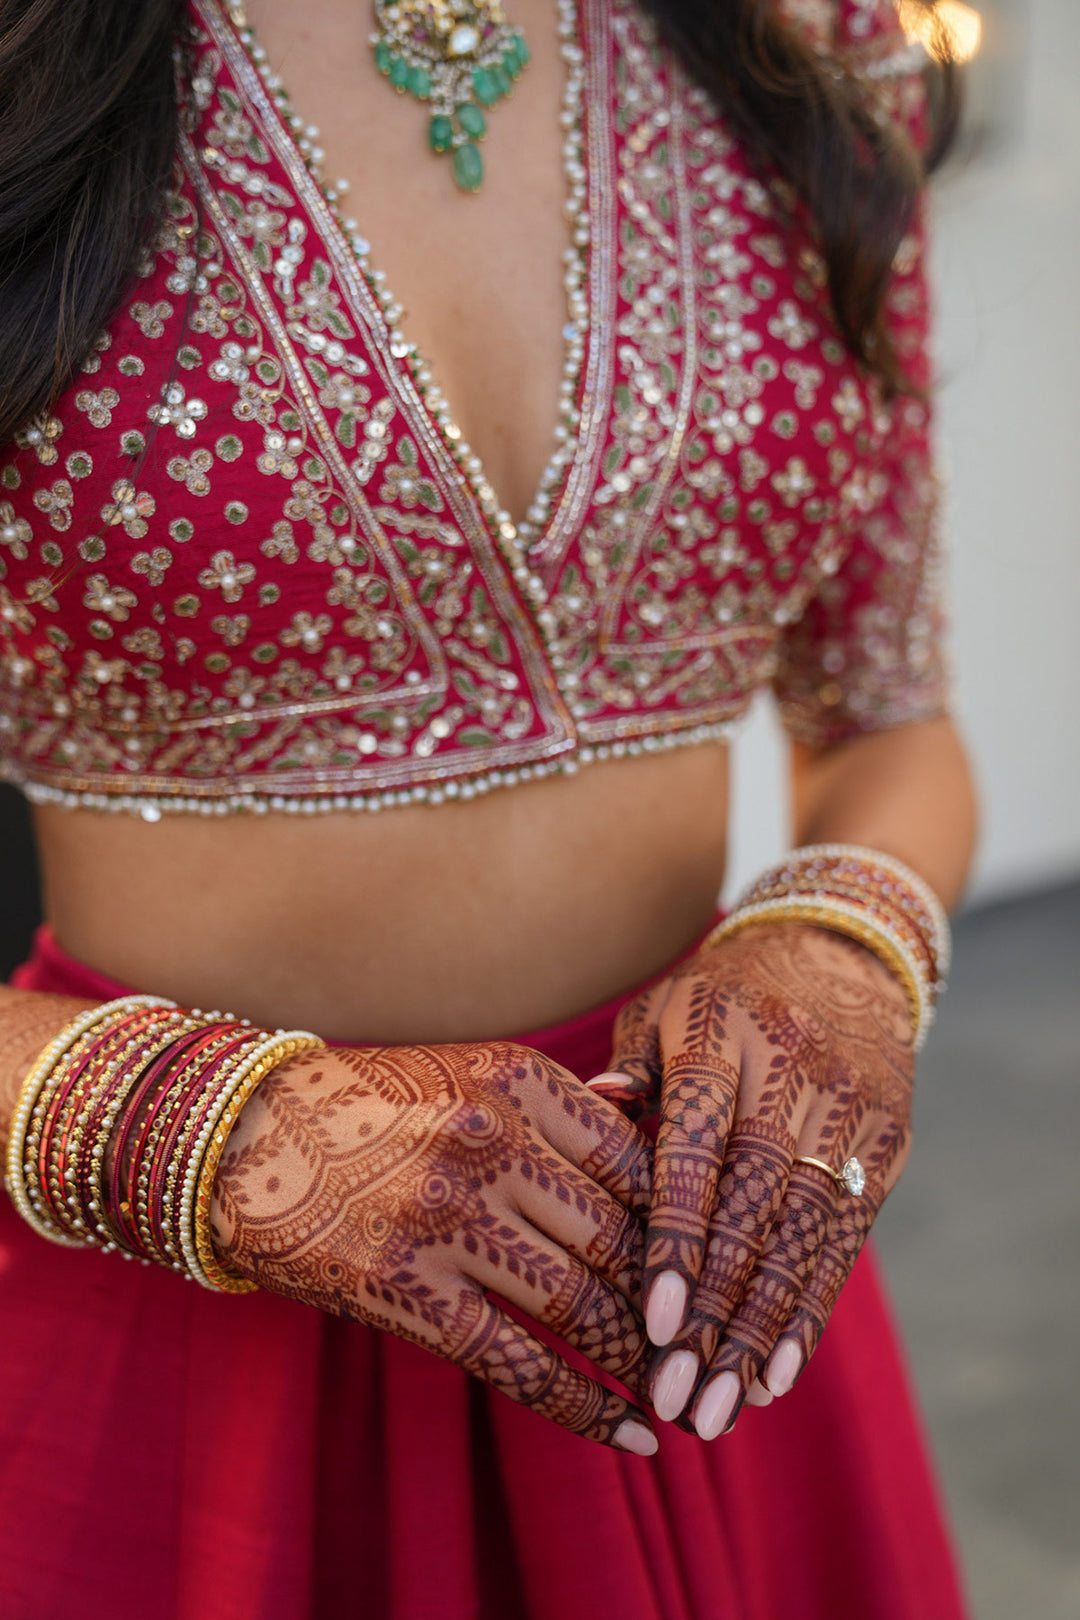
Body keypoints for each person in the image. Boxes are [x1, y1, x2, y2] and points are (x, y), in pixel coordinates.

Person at [0, 0, 978, 1614]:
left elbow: (889, 723)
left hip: (695, 1313)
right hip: (175, 1329)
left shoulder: (817, 42)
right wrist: (232, 1137)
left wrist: (839, 953)